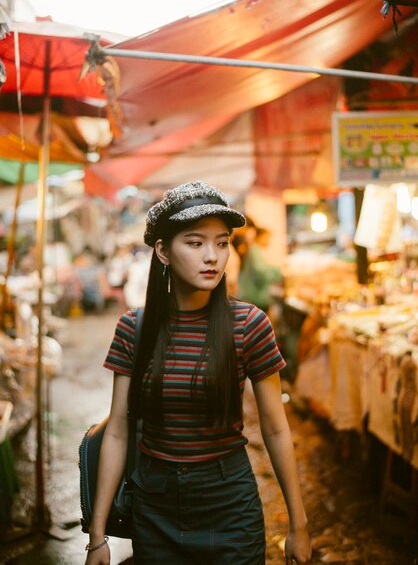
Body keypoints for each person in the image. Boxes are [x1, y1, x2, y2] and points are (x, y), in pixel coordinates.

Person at [85, 181, 311, 565]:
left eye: (222, 243)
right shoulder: (134, 329)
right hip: (154, 507)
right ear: (162, 251)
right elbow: (119, 432)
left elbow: (275, 427)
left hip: (229, 506)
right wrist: (97, 535)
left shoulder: (248, 324)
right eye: (195, 243)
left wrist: (299, 524)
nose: (213, 257)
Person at [238, 224, 283, 313]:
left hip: (253, 295)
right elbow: (260, 273)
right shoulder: (255, 251)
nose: (269, 241)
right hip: (255, 297)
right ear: (260, 237)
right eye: (267, 237)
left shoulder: (255, 250)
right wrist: (278, 271)